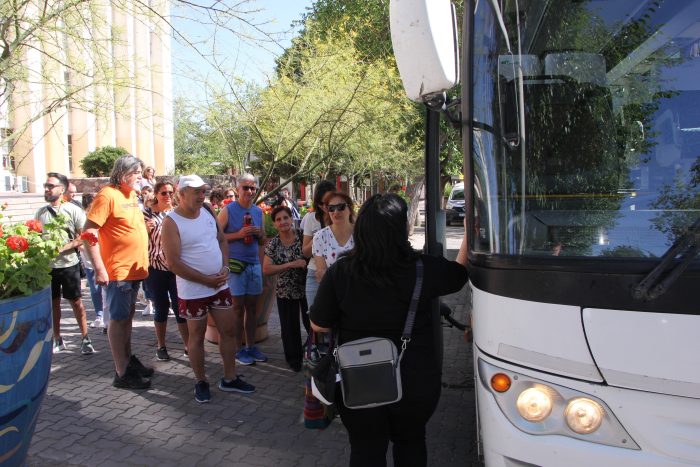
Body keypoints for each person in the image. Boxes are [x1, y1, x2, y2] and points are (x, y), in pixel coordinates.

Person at [309, 193, 469, 466]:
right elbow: (458, 274)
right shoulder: (422, 269)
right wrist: (467, 235)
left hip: (359, 380)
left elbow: (318, 324)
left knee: (366, 449)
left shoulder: (342, 272)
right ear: (401, 229)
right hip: (415, 379)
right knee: (411, 442)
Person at [162, 175, 254, 403]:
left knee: (230, 330)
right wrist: (205, 280)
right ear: (181, 195)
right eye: (196, 192)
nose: (201, 196)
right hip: (193, 291)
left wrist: (224, 266)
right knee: (196, 337)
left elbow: (221, 240)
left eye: (203, 191)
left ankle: (230, 377)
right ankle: (201, 380)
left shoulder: (207, 210)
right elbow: (173, 263)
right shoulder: (171, 222)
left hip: (219, 285)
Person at [83, 155, 152, 389]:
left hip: (134, 270)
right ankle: (121, 372)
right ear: (124, 173)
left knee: (127, 318)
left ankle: (128, 360)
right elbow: (89, 232)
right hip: (118, 271)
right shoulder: (107, 195)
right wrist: (100, 268)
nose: (140, 177)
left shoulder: (130, 194)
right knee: (118, 319)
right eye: (137, 173)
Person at [34, 172, 94, 354]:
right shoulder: (41, 212)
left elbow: (84, 236)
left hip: (69, 264)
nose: (47, 189)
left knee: (76, 302)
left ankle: (85, 338)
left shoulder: (73, 210)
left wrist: (62, 248)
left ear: (62, 189)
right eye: (46, 185)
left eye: (51, 186)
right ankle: (57, 339)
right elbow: (35, 236)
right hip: (48, 267)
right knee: (53, 304)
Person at [218, 173, 268, 366]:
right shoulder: (228, 210)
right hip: (236, 266)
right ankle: (238, 348)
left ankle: (251, 346)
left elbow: (263, 240)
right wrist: (239, 234)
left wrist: (259, 233)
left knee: (252, 308)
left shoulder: (258, 212)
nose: (249, 191)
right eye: (245, 188)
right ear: (238, 189)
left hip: (254, 264)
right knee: (237, 309)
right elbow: (217, 236)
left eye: (252, 188)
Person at [143, 181, 190, 361]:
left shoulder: (177, 213)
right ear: (156, 193)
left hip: (176, 267)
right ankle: (161, 345)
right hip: (156, 267)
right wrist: (144, 230)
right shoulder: (146, 214)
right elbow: (138, 238)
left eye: (171, 192)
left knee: (180, 308)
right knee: (161, 308)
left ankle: (187, 344)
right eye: (164, 193)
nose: (168, 196)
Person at [262, 206, 309, 372]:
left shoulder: (303, 236)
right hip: (285, 290)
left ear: (291, 219)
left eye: (285, 218)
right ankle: (294, 360)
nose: (283, 222)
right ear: (274, 224)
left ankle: (313, 353)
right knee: (289, 328)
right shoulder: (274, 243)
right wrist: (290, 264)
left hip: (306, 288)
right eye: (278, 220)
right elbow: (266, 269)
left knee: (311, 324)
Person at [301, 180, 335, 306]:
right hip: (315, 273)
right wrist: (318, 237)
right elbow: (305, 252)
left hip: (337, 273)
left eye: (328, 202)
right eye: (321, 203)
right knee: (315, 320)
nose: (325, 207)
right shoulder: (311, 218)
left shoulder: (342, 216)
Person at [311, 191, 356, 284]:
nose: (336, 212)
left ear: (350, 208)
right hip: (333, 293)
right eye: (331, 208)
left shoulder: (361, 233)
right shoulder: (320, 237)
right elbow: (321, 275)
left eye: (341, 207)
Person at [81, 193, 104, 331]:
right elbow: (79, 239)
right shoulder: (84, 221)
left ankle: (106, 315)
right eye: (90, 207)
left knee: (105, 291)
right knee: (95, 290)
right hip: (89, 263)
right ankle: (99, 314)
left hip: (104, 261)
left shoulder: (102, 219)